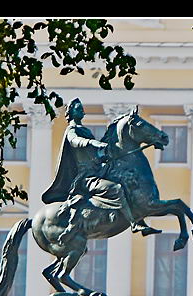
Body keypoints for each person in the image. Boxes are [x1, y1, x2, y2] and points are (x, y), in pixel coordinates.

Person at [42, 98, 156, 244]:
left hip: (97, 172)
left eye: (82, 107)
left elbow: (94, 155)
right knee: (116, 188)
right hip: (86, 178)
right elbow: (76, 141)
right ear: (70, 112)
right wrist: (93, 143)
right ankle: (133, 223)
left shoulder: (85, 130)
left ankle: (138, 217)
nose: (82, 110)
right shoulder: (72, 130)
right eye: (78, 108)